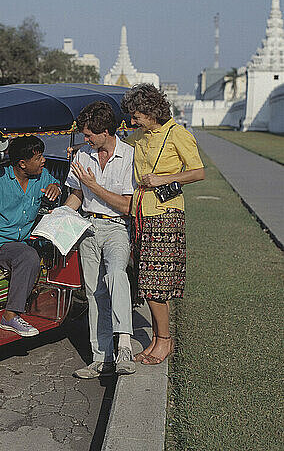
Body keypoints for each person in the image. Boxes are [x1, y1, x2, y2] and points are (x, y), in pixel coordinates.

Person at [121, 84, 205, 364]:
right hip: (142, 212)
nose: (133, 121)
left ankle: (165, 341)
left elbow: (198, 172)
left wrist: (164, 179)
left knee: (156, 282)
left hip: (166, 213)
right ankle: (157, 339)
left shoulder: (177, 134)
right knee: (148, 279)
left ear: (151, 111)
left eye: (137, 116)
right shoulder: (139, 136)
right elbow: (121, 151)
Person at [65, 101, 135, 378]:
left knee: (117, 276)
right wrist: (58, 218)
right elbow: (77, 196)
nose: (86, 139)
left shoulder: (129, 157)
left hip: (117, 227)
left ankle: (125, 348)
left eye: (90, 135)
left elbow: (127, 206)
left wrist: (94, 185)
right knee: (94, 292)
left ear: (105, 131)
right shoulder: (83, 155)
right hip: (88, 227)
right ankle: (101, 357)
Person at [0, 135, 61, 337]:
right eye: (38, 158)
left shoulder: (42, 176)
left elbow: (54, 182)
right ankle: (10, 316)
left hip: (24, 240)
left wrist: (56, 186)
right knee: (28, 256)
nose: (43, 161)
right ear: (22, 163)